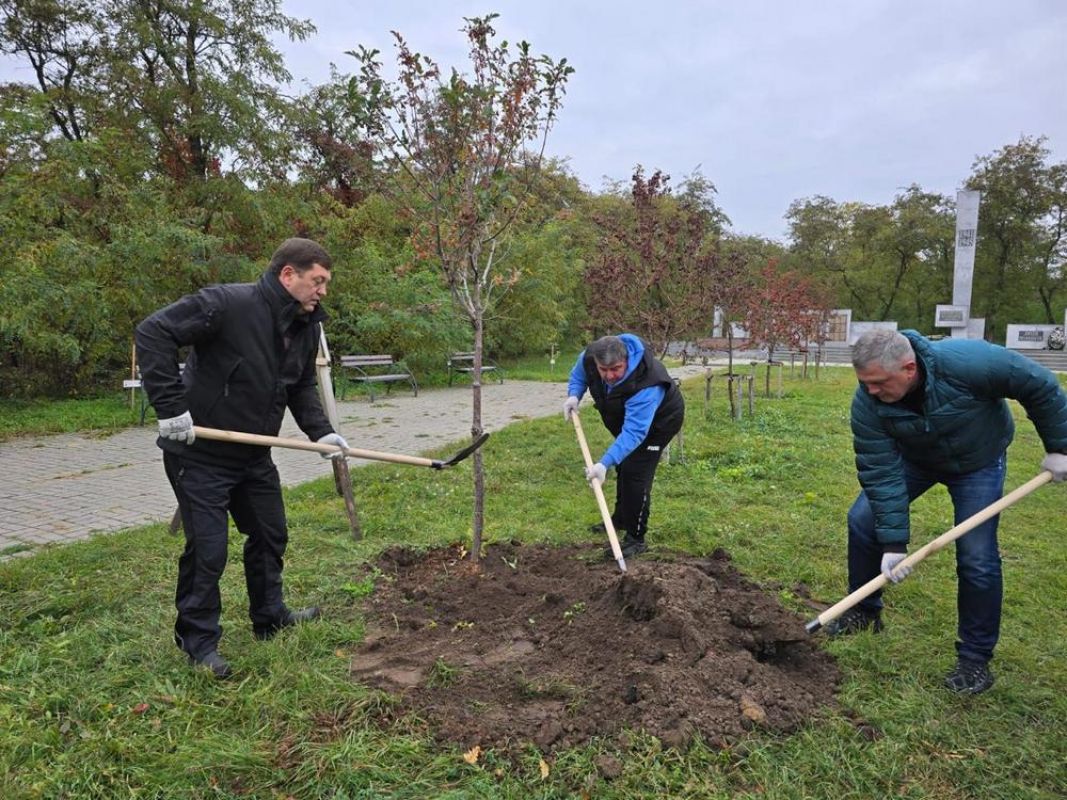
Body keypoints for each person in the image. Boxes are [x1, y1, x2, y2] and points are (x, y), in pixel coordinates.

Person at [136, 238, 351, 679]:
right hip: (199, 455)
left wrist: (322, 431)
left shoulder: (305, 325)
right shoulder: (227, 304)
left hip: (253, 454)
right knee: (210, 551)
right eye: (318, 281)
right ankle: (198, 643)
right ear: (288, 275)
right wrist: (171, 407)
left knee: (271, 535)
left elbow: (299, 385)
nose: (323, 292)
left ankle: (270, 617)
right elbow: (153, 332)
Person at [828, 328, 1067, 694]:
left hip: (978, 461)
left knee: (976, 554)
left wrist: (1060, 447)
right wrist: (893, 543)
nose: (871, 391)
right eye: (865, 383)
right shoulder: (868, 402)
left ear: (909, 369)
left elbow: (1040, 386)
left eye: (878, 382)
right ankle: (864, 611)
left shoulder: (970, 363)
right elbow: (880, 470)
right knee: (862, 520)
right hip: (917, 459)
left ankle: (974, 660)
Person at [562, 334, 685, 558]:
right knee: (625, 465)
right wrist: (574, 395)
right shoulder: (590, 357)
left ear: (626, 360)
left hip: (659, 422)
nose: (609, 376)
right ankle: (620, 519)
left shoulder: (647, 383)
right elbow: (580, 375)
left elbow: (635, 432)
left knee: (636, 473)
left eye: (616, 369)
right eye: (603, 370)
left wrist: (603, 464)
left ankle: (636, 538)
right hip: (627, 419)